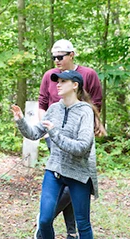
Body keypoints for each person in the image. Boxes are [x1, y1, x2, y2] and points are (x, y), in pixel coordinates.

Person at [12, 70, 101, 239]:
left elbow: (82, 147)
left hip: (79, 174)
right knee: (44, 220)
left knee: (83, 224)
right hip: (54, 171)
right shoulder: (54, 109)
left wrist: (54, 133)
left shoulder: (85, 112)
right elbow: (34, 134)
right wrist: (21, 120)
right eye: (57, 81)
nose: (57, 84)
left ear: (75, 85)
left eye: (63, 81)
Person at [35, 39, 103, 239]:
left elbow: (96, 104)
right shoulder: (49, 76)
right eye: (53, 57)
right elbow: (42, 103)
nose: (56, 60)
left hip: (78, 139)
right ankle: (66, 230)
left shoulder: (88, 75)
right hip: (53, 135)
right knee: (61, 176)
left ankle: (72, 229)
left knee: (73, 181)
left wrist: (88, 128)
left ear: (71, 54)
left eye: (60, 56)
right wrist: (46, 131)